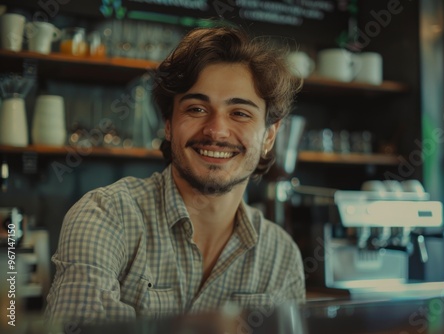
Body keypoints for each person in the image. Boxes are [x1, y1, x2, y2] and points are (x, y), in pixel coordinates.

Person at [44, 25, 305, 325]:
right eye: (196, 108)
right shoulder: (106, 216)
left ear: (270, 136)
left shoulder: (281, 255)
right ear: (168, 124)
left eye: (240, 113)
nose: (216, 130)